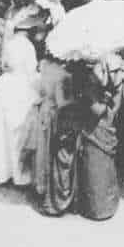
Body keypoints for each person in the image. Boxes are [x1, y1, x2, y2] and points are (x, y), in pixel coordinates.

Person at [75, 55, 124, 220]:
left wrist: (106, 97)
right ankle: (101, 206)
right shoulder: (99, 85)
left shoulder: (101, 84)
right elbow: (102, 109)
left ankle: (99, 206)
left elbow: (100, 109)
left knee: (99, 167)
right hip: (100, 129)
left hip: (99, 129)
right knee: (99, 167)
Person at [29, 53, 80, 216]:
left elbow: (42, 92)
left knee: (43, 149)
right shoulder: (64, 76)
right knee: (55, 152)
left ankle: (40, 186)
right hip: (55, 115)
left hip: (44, 110)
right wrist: (76, 99)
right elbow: (62, 102)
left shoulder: (45, 67)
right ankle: (54, 195)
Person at [0, 35, 39, 187]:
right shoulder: (28, 47)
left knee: (0, 134)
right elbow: (31, 67)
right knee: (19, 138)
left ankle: (2, 171)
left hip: (6, 90)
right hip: (21, 93)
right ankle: (19, 172)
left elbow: (5, 64)